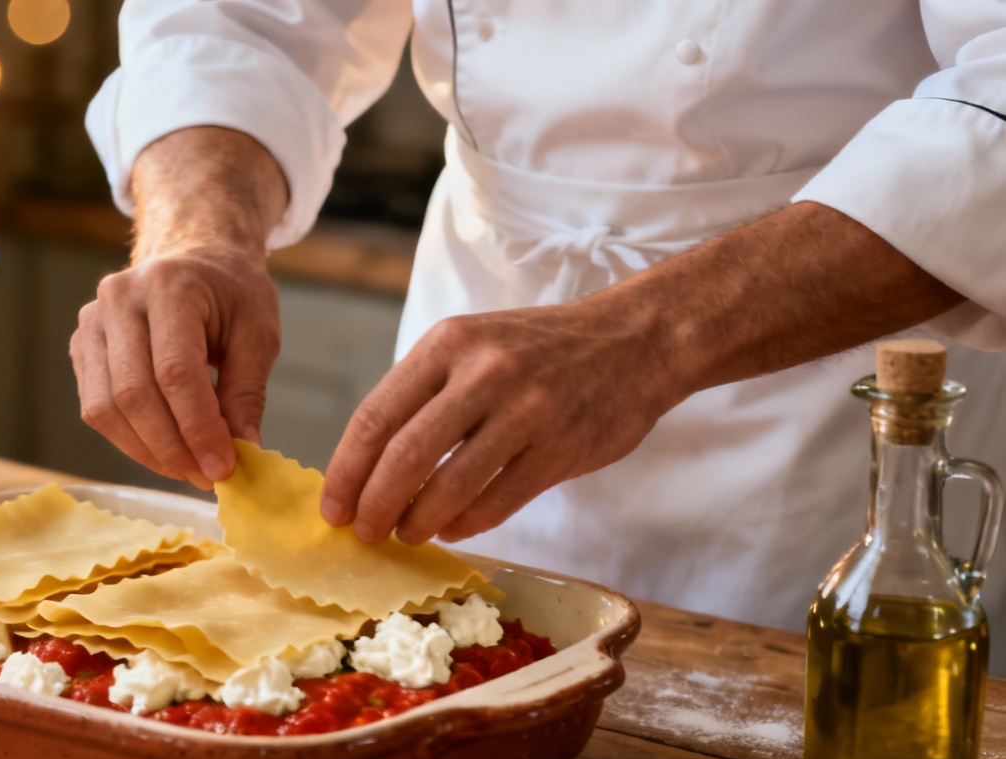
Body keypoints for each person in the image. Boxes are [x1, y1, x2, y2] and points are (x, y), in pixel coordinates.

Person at [71, 0, 1006, 636]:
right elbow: (245, 17)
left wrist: (646, 337)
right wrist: (199, 236)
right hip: (482, 310)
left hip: (826, 397)